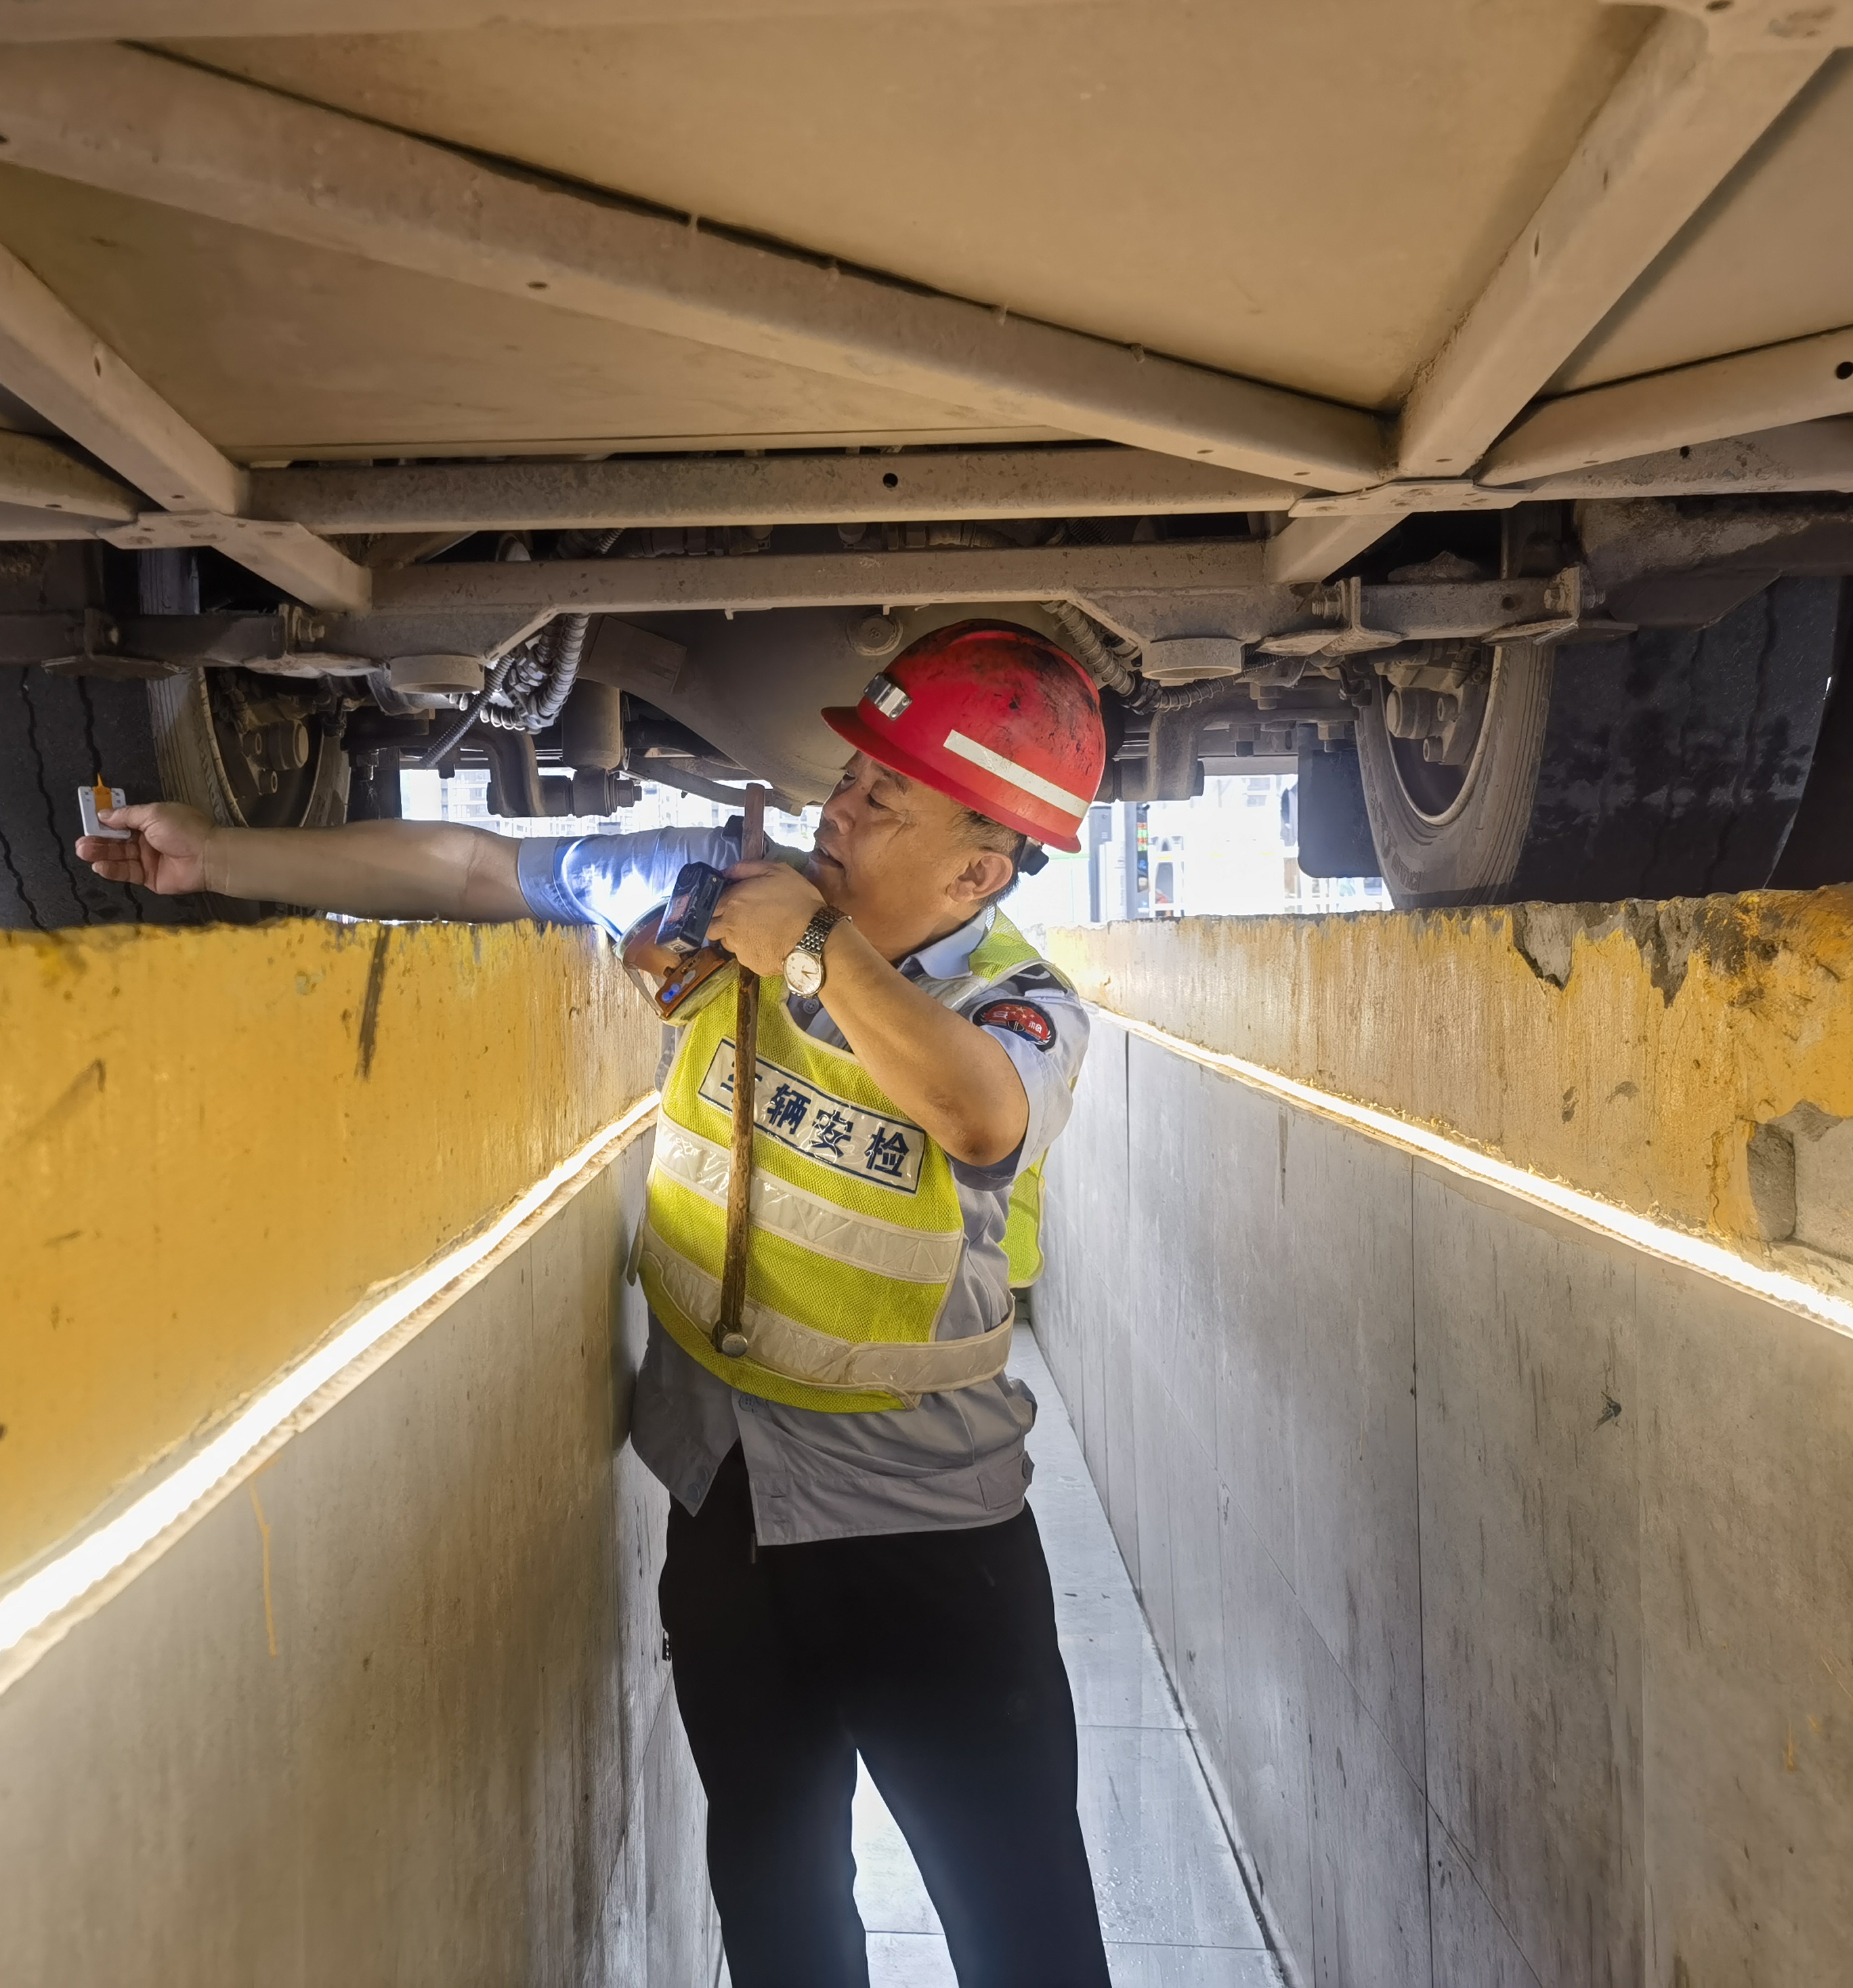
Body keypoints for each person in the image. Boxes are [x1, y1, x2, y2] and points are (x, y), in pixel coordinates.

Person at [80, 620, 1112, 1988]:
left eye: (880, 798)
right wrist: (213, 857)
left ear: (977, 867)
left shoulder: (1019, 1003)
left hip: (930, 1533)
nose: (835, 807)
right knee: (774, 1889)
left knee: (1020, 1928)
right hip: (725, 1503)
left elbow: (977, 1114)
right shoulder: (709, 893)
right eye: (849, 779)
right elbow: (472, 866)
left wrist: (806, 952)